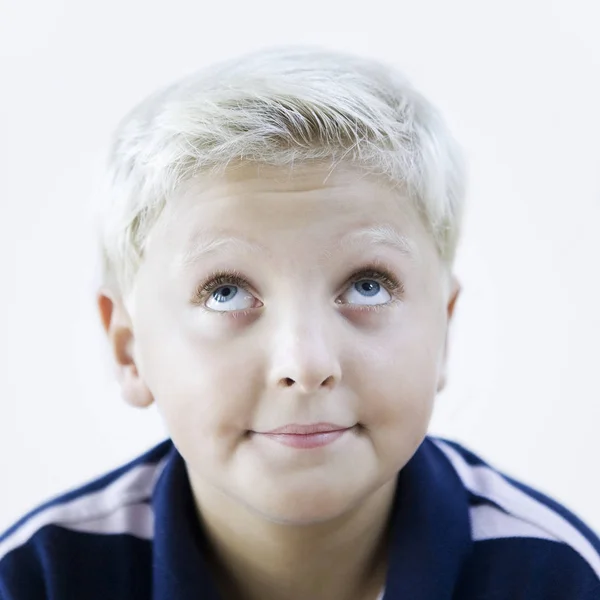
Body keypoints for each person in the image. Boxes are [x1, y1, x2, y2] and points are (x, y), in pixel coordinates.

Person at [1, 46, 599, 600]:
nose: (306, 364)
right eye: (226, 292)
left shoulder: (555, 576)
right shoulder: (40, 578)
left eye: (368, 284)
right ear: (130, 349)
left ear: (444, 331)